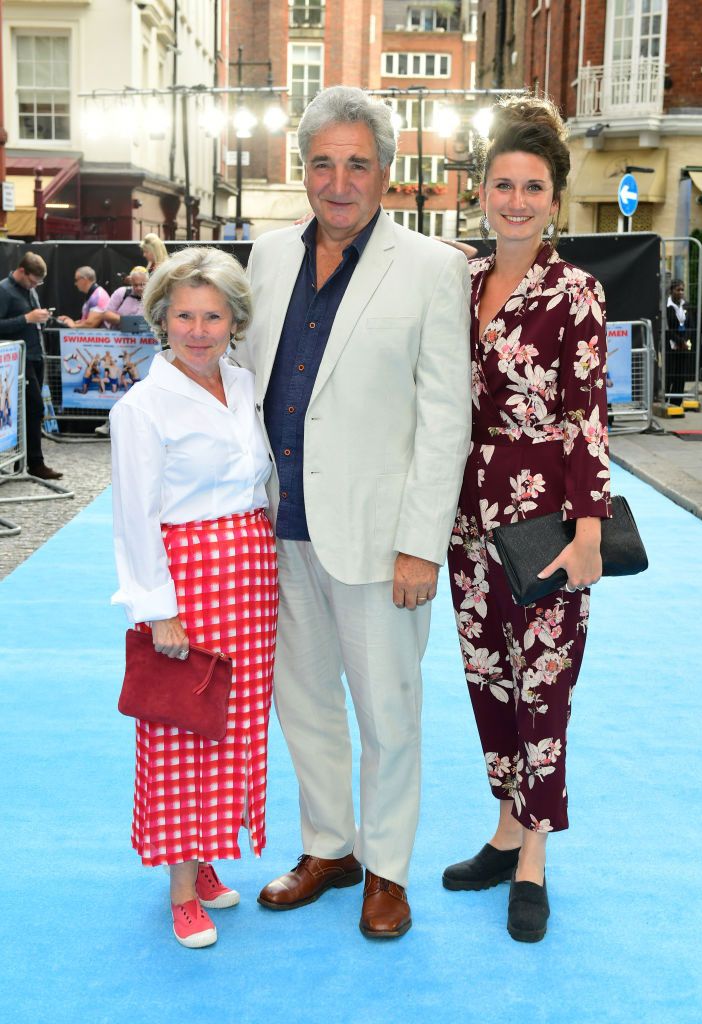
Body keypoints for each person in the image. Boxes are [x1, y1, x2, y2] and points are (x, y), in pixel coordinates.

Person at [237, 85, 471, 939]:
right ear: (303, 168)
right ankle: (328, 847)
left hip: (379, 542)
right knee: (301, 703)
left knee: (387, 712)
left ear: (386, 171)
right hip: (277, 525)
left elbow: (446, 418)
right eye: (323, 162)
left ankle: (387, 870)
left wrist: (420, 545)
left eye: (357, 164)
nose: (339, 182)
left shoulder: (432, 267)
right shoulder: (264, 257)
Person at [443, 96, 612, 943]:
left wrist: (589, 530)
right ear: (481, 191)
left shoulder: (574, 291)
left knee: (543, 687)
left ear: (554, 199)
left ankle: (535, 856)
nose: (515, 200)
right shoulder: (462, 281)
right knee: (488, 681)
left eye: (532, 187)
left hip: (545, 518)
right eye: (501, 185)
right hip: (466, 520)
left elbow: (587, 417)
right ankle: (503, 831)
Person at [109, 246, 278, 949]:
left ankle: (206, 856)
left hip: (250, 576)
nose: (199, 330)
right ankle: (181, 890)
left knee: (234, 728)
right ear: (161, 319)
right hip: (187, 580)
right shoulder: (141, 407)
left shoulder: (242, 385)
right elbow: (135, 514)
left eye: (213, 316)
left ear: (234, 321)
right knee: (180, 732)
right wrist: (158, 609)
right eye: (185, 315)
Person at [0, 252, 62, 480]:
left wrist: (40, 318)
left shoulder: (28, 289)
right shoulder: (4, 290)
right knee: (33, 408)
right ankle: (33, 462)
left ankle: (26, 460)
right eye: (33, 281)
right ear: (21, 271)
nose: (35, 285)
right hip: (18, 361)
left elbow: (28, 319)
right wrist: (26, 319)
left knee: (33, 411)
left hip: (35, 356)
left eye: (38, 283)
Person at [665, 278, 693, 406]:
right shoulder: (667, 307)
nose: (681, 292)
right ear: (671, 291)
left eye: (682, 289)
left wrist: (685, 341)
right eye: (678, 290)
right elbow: (667, 328)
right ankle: (665, 400)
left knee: (681, 375)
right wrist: (678, 341)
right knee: (670, 374)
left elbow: (691, 325)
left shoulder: (686, 305)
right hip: (671, 346)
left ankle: (677, 402)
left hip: (683, 346)